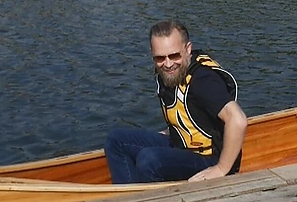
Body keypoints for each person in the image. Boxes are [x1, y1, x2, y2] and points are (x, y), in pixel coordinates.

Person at [104, 20, 248, 183]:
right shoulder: (170, 74)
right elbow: (190, 116)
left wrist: (221, 168)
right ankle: (129, 194)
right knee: (116, 140)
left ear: (188, 49)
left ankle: (151, 198)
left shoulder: (203, 80)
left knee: (150, 160)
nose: (168, 64)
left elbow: (238, 120)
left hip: (209, 159)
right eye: (160, 58)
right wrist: (168, 132)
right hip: (182, 146)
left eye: (174, 56)